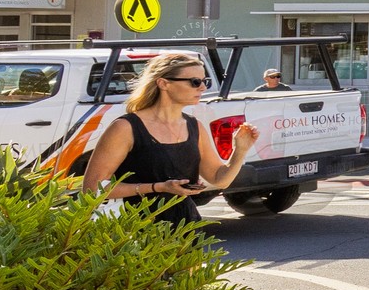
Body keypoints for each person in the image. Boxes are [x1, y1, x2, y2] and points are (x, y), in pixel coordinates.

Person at [83, 52, 258, 227]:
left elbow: (219, 179)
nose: (203, 88)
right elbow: (92, 189)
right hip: (133, 232)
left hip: (183, 229)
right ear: (163, 83)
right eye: (195, 82)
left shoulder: (194, 126)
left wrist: (240, 151)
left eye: (205, 81)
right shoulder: (125, 127)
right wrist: (158, 187)